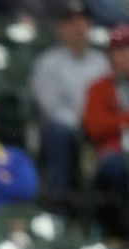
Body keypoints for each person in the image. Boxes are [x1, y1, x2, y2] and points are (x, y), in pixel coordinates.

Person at [30, 0, 109, 214]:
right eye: (72, 22)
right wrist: (83, 124)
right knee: (58, 131)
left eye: (83, 21)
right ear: (61, 28)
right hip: (66, 134)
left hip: (97, 133)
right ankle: (59, 204)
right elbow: (50, 107)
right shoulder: (48, 62)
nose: (79, 27)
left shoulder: (102, 62)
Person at [83, 23, 129, 240]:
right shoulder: (99, 87)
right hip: (113, 154)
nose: (126, 55)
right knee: (120, 167)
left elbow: (106, 122)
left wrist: (118, 120)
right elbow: (94, 126)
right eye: (120, 49)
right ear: (111, 55)